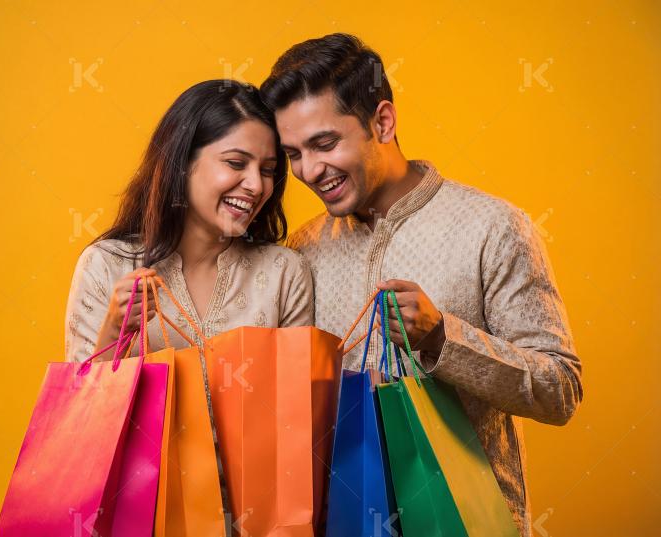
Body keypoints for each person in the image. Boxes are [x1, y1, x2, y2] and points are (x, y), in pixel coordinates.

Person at [260, 33, 583, 536]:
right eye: (294, 153)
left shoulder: (491, 227)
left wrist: (442, 338)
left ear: (382, 121)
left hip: (470, 522)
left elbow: (559, 390)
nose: (310, 170)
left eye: (325, 143)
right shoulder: (301, 252)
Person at [64, 79, 313, 364]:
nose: (256, 186)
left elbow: (296, 400)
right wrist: (113, 332)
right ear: (181, 163)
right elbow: (81, 404)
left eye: (267, 170)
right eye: (235, 163)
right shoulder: (107, 266)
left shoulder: (284, 273)